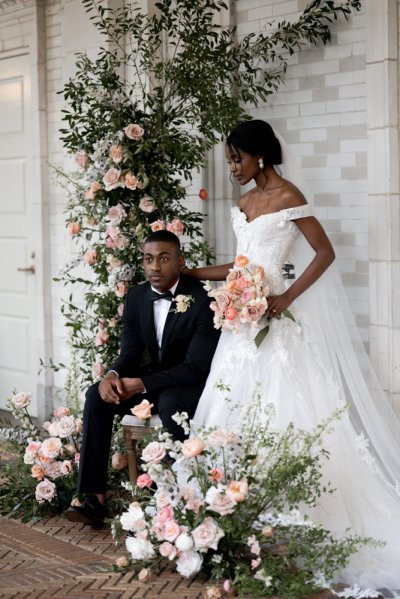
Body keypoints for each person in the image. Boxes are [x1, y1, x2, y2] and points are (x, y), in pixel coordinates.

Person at [187, 120, 400, 595]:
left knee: (288, 413)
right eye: (228, 159)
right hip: (241, 329)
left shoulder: (288, 196)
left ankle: (290, 523)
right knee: (231, 411)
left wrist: (285, 299)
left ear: (259, 156)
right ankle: (235, 518)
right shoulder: (242, 203)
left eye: (235, 158)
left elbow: (324, 253)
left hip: (275, 327)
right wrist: (192, 273)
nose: (231, 167)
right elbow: (241, 265)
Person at [65, 230, 220, 527]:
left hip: (189, 383)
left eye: (163, 259)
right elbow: (130, 355)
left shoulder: (202, 299)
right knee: (96, 395)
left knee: (171, 400)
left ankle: (180, 502)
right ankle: (93, 498)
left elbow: (197, 366)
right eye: (149, 259)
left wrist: (142, 384)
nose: (155, 267)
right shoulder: (137, 296)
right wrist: (112, 375)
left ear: (180, 261)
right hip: (154, 379)